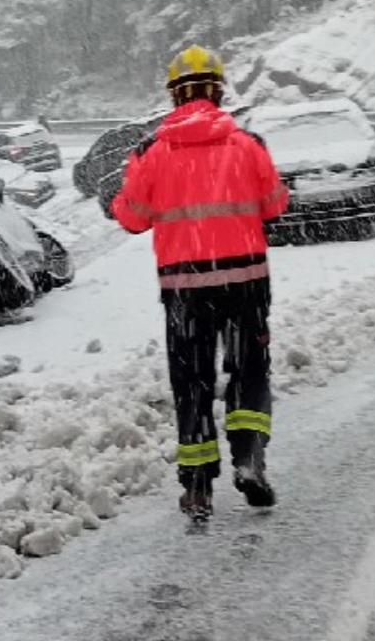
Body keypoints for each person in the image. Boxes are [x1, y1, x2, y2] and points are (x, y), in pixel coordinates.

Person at [112, 45, 289, 523]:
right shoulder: (247, 144)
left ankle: (197, 487)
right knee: (248, 369)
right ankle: (249, 458)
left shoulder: (150, 153)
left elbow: (132, 218)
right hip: (246, 279)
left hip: (185, 288)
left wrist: (121, 200)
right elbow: (275, 204)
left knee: (192, 380)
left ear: (174, 96)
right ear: (217, 91)